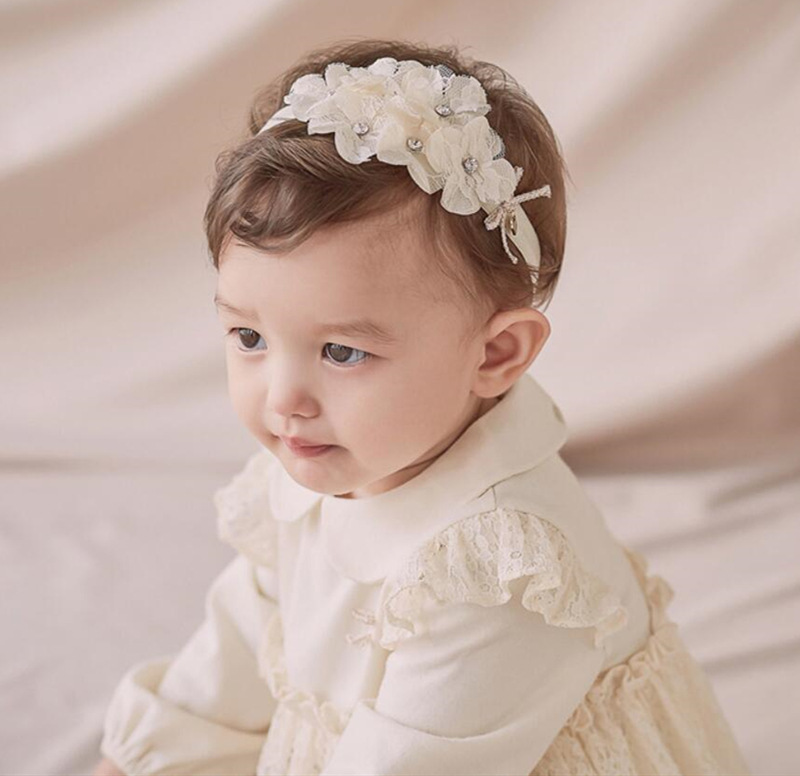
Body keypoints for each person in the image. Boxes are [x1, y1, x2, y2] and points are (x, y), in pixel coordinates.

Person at [92, 39, 751, 776]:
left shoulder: (500, 579)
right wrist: (136, 759)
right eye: (249, 337)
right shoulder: (330, 452)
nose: (282, 399)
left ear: (495, 355)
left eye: (342, 352)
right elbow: (241, 643)